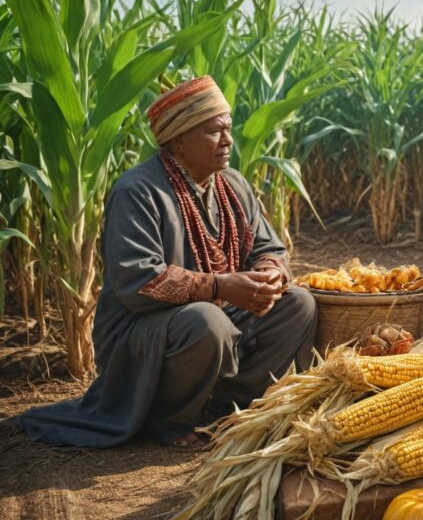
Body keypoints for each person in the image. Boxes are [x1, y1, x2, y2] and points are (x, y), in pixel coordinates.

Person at [19, 76, 317, 449]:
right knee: (208, 321)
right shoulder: (137, 191)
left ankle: (225, 407)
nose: (228, 141)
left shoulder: (233, 184)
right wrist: (223, 286)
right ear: (177, 139)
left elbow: (268, 247)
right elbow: (139, 280)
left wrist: (271, 273)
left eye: (228, 130)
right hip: (141, 328)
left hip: (215, 312)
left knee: (298, 303)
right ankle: (170, 419)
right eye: (215, 132)